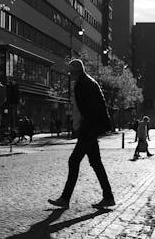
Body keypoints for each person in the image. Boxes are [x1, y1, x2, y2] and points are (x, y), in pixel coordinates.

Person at [48, 59, 115, 209]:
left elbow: (90, 109)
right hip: (91, 127)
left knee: (74, 161)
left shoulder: (83, 84)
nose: (70, 75)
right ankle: (108, 196)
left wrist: (84, 129)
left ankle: (65, 199)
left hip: (90, 128)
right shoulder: (85, 82)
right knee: (96, 163)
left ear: (77, 71)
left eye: (71, 72)